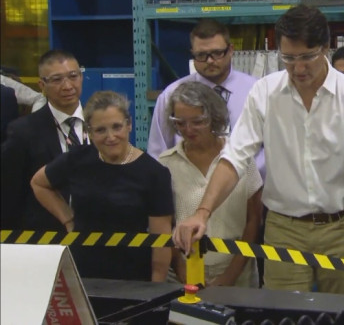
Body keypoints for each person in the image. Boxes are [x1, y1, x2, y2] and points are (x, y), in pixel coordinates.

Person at [173, 4, 344, 295]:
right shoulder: (265, 93)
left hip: (342, 227)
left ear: (326, 47)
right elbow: (234, 157)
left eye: (307, 57)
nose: (298, 68)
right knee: (282, 311)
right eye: (288, 58)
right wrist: (203, 212)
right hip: (285, 228)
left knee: (343, 312)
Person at [30, 91, 174, 282]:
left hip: (132, 276)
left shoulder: (154, 173)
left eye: (117, 127)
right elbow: (39, 183)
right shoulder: (77, 159)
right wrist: (67, 219)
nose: (110, 137)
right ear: (89, 132)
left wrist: (157, 287)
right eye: (100, 130)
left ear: (129, 125)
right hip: (82, 271)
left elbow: (161, 240)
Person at [159, 82, 263, 287]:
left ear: (214, 118)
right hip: (182, 271)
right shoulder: (166, 163)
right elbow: (164, 225)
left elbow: (254, 221)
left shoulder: (241, 161)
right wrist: (181, 270)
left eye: (197, 122)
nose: (188, 130)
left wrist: (231, 275)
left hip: (236, 270)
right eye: (180, 122)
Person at [148, 19, 265, 178]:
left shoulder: (257, 91)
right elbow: (158, 153)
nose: (210, 60)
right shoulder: (171, 95)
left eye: (217, 53)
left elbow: (271, 148)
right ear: (192, 54)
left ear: (231, 50)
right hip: (188, 188)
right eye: (201, 55)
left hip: (248, 186)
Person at [1, 50, 87, 231]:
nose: (67, 86)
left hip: (98, 235)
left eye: (73, 76)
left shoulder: (101, 124)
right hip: (44, 238)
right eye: (57, 80)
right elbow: (9, 194)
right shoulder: (23, 131)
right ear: (42, 85)